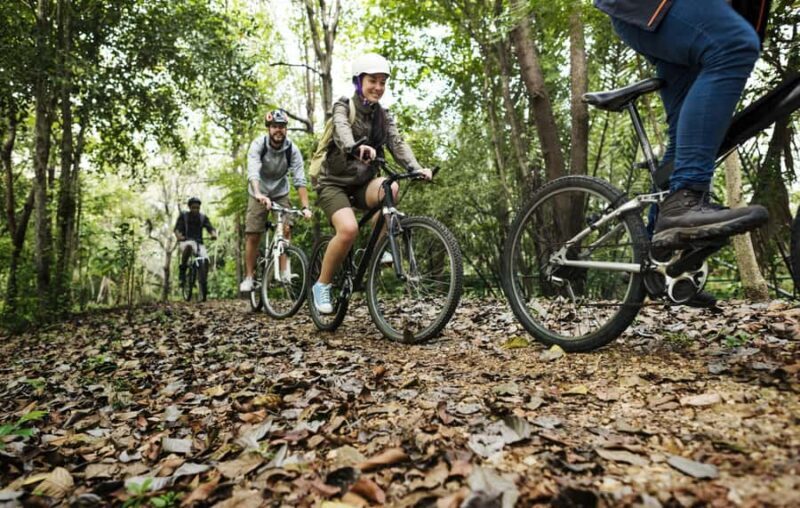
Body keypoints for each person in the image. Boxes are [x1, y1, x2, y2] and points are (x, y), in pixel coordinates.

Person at [594, 0, 770, 250]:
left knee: (685, 141)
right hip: (655, 7)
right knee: (735, 45)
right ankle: (684, 200)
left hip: (681, 13)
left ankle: (659, 262)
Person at [311, 53, 432, 314]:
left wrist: (415, 167)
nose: (378, 87)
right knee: (348, 230)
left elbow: (397, 144)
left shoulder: (383, 117)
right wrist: (356, 147)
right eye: (372, 81)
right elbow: (341, 130)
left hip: (363, 184)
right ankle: (322, 284)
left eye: (382, 82)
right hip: (333, 184)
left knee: (393, 187)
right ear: (359, 81)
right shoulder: (344, 106)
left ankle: (375, 253)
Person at [239, 109, 312, 293]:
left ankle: (284, 271)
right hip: (259, 191)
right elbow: (253, 172)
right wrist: (258, 194)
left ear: (286, 129)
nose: (278, 130)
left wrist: (305, 207)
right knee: (253, 234)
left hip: (280, 192)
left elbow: (299, 179)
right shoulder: (258, 145)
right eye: (274, 127)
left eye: (282, 127)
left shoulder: (292, 150)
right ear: (268, 129)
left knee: (286, 228)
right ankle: (249, 276)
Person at [174, 197, 217, 300]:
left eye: (197, 208)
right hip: (186, 241)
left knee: (205, 259)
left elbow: (210, 228)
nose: (195, 210)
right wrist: (179, 237)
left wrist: (213, 234)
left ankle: (203, 281)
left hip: (199, 243)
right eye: (193, 208)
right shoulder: (184, 216)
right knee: (188, 247)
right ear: (189, 207)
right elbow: (176, 229)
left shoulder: (202, 217)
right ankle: (183, 270)